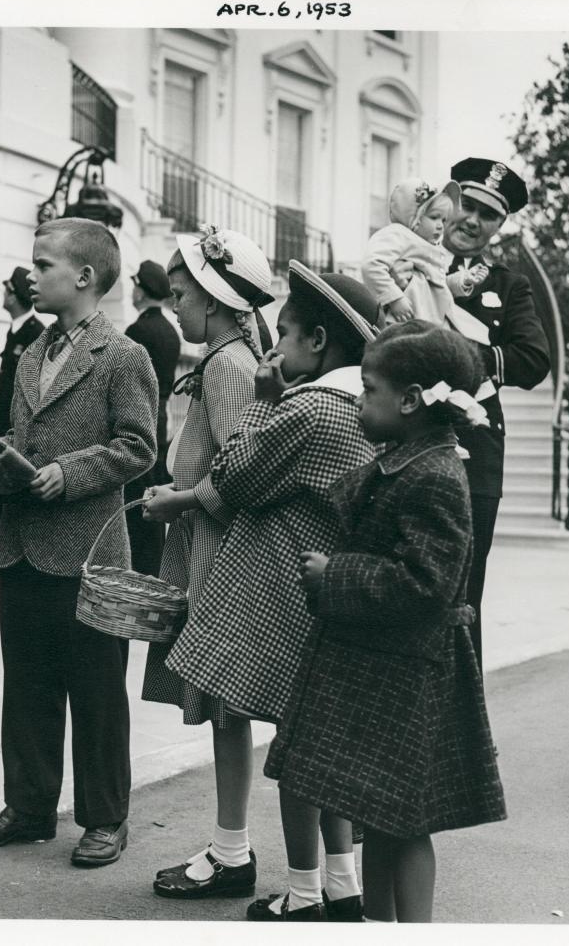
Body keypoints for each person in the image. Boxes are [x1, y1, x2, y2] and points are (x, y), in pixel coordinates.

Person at [261, 321, 506, 923]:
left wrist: (335, 576)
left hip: (406, 672)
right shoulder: (407, 457)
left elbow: (427, 584)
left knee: (406, 819)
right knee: (375, 807)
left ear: (411, 399)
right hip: (381, 668)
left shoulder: (437, 476)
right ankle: (373, 922)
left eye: (368, 389)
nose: (359, 399)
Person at [158, 260, 378, 914]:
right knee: (321, 747)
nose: (272, 347)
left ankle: (304, 896)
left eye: (282, 333)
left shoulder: (308, 408)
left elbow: (236, 474)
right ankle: (341, 882)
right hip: (326, 596)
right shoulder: (360, 408)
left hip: (288, 597)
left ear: (316, 341)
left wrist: (262, 399)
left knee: (296, 752)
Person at [0, 217, 157, 868]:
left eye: (43, 265)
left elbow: (139, 448)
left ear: (84, 276)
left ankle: (105, 817)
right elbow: (24, 436)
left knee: (98, 693)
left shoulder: (124, 356)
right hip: (23, 548)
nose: (31, 275)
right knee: (28, 686)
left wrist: (66, 474)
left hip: (89, 555)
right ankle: (30, 807)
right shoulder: (28, 352)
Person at [134, 227, 268, 897]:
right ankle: (228, 845)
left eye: (182, 293)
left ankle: (232, 850)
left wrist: (180, 497)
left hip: (221, 553)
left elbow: (244, 475)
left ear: (212, 301)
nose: (176, 303)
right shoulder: (224, 359)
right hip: (203, 543)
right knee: (221, 711)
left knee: (226, 709)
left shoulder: (229, 366)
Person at [392, 157, 550, 669]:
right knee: (397, 576)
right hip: (402, 438)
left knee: (462, 592)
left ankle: (463, 731)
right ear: (448, 202)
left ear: (498, 227)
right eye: (469, 205)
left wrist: (455, 354)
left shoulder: (507, 285)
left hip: (473, 451)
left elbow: (532, 359)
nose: (474, 220)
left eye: (490, 215)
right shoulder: (404, 260)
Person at [362, 178, 490, 326]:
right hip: (405, 322)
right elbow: (371, 264)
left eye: (444, 220)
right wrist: (395, 299)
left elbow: (434, 286)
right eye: (434, 217)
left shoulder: (427, 245)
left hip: (429, 323)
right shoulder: (398, 234)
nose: (441, 226)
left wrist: (463, 279)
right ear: (413, 215)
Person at [124, 258, 182, 576]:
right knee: (152, 487)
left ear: (143, 291)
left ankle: (139, 565)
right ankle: (153, 563)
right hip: (159, 415)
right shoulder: (171, 332)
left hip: (140, 414)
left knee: (137, 491)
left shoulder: (138, 330)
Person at [0, 266, 46, 437]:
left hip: (19, 429)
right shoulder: (15, 329)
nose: (3, 294)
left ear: (13, 297)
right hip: (3, 423)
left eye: (6, 290)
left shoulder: (36, 333)